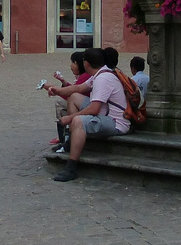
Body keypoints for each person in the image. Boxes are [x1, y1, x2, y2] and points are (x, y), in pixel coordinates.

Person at [53, 48, 131, 182]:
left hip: (116, 122)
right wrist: (57, 90)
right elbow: (78, 88)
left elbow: (94, 109)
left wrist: (70, 118)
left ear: (86, 64)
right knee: (74, 97)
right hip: (106, 114)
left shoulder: (103, 79)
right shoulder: (101, 73)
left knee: (78, 121)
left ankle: (71, 167)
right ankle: (72, 140)